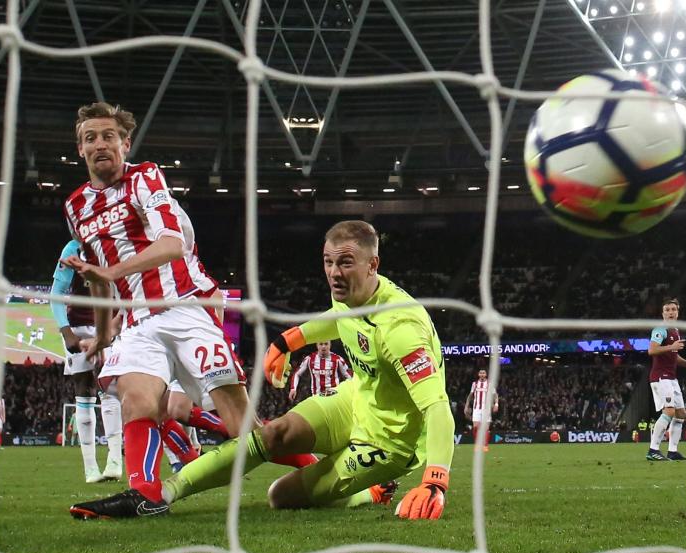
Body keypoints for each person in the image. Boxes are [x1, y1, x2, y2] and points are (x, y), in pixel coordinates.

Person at [61, 102, 311, 520]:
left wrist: (112, 270)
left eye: (108, 136)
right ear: (80, 149)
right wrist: (104, 335)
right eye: (91, 138)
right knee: (137, 399)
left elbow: (172, 244)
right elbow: (97, 277)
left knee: (242, 429)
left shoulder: (145, 177)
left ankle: (327, 471)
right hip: (139, 322)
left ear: (125, 143)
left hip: (187, 309)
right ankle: (145, 494)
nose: (100, 144)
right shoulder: (75, 207)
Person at [157, 220, 454, 520]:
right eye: (329, 262)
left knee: (281, 496)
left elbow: (438, 406)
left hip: (392, 438)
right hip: (355, 399)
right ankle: (163, 492)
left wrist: (435, 482)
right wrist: (288, 341)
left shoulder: (400, 329)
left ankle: (373, 491)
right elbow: (338, 318)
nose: (334, 273)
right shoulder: (351, 290)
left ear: (372, 264)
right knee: (274, 434)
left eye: (345, 263)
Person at [51, 239, 123, 483]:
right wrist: (66, 331)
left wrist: (114, 329)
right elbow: (56, 294)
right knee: (84, 390)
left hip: (111, 325)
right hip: (79, 326)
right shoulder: (71, 249)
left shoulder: (117, 243)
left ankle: (115, 460)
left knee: (110, 386)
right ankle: (90, 468)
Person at [646, 297, 686, 461]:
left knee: (681, 413)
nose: (670, 312)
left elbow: (673, 356)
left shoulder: (675, 330)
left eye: (673, 310)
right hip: (660, 377)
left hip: (671, 378)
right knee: (669, 411)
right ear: (662, 313)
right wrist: (672, 346)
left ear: (678, 312)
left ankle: (672, 451)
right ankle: (653, 450)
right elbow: (652, 350)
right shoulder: (660, 330)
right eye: (667, 310)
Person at [464, 368, 498, 452]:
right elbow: (470, 395)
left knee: (486, 428)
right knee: (475, 427)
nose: (482, 374)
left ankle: (485, 446)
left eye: (483, 373)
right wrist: (466, 406)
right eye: (481, 373)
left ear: (486, 375)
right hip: (476, 408)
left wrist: (496, 404)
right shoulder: (474, 384)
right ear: (478, 374)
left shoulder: (490, 384)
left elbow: (495, 395)